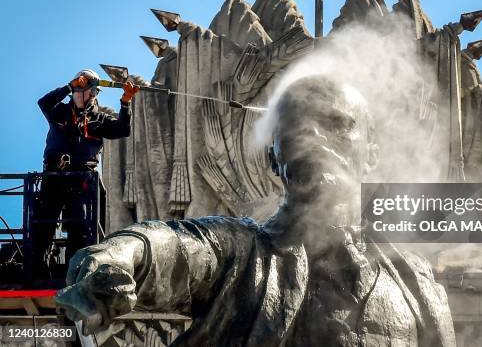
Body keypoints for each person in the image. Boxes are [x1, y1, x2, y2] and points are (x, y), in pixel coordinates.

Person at [55, 76, 455, 346]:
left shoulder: (416, 282)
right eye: (295, 127)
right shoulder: (243, 254)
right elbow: (176, 247)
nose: (312, 135)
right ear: (272, 158)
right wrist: (119, 255)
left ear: (371, 155)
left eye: (335, 123)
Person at [33, 69, 139, 278]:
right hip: (54, 176)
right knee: (43, 224)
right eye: (89, 91)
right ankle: (38, 271)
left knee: (80, 226)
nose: (92, 96)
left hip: (81, 179)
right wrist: (68, 87)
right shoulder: (60, 112)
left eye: (94, 93)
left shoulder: (98, 119)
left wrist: (125, 102)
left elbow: (122, 129)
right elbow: (43, 103)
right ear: (77, 91)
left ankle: (76, 273)